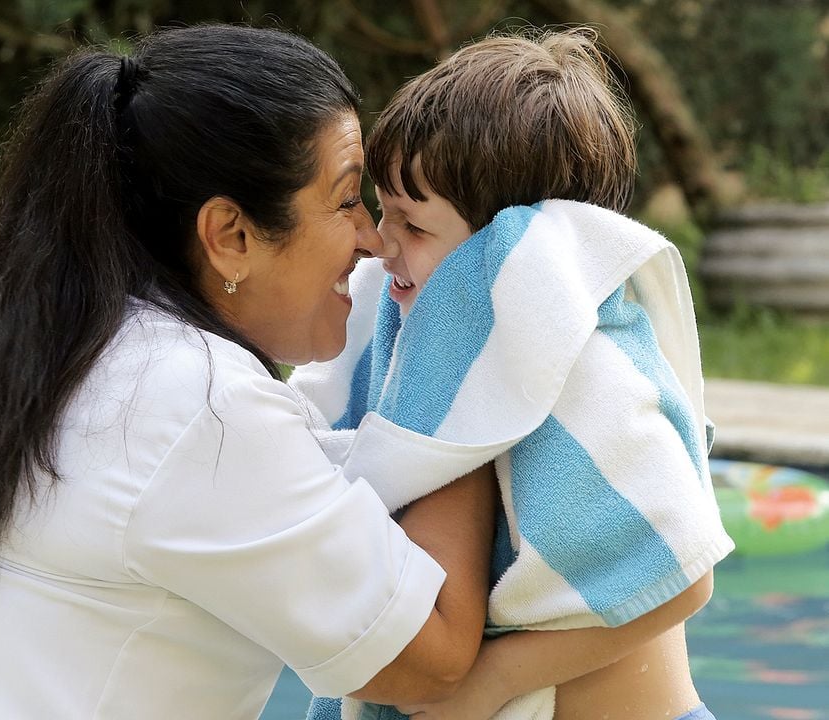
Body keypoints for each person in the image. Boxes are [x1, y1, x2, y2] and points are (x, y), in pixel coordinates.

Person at [0, 25, 498, 719]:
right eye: (344, 199)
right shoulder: (199, 406)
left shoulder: (51, 346)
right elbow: (433, 657)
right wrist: (469, 343)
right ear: (230, 237)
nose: (371, 238)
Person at [293, 28, 734, 720]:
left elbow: (683, 573)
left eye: (412, 224)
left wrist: (494, 681)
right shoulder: (437, 357)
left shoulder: (581, 360)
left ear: (515, 250)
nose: (380, 243)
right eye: (384, 211)